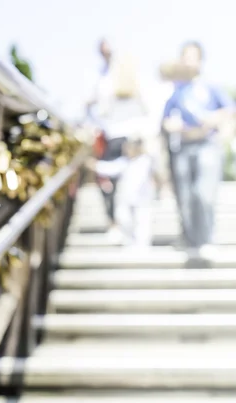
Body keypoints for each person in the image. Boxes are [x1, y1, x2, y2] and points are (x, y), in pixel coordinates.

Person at [162, 41, 235, 258]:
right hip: (183, 146)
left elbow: (229, 109)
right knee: (185, 196)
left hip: (207, 145)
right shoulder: (177, 90)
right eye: (185, 57)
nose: (188, 61)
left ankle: (206, 238)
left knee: (204, 194)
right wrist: (172, 126)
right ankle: (191, 240)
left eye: (192, 56)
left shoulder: (211, 87)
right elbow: (166, 119)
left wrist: (215, 120)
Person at [86, 38, 148, 241]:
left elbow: (144, 106)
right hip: (111, 134)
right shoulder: (101, 77)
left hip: (130, 136)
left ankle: (133, 231)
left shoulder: (129, 73)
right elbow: (96, 105)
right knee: (109, 182)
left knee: (132, 188)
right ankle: (116, 225)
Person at [87, 135, 159, 248]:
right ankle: (129, 241)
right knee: (124, 219)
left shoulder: (146, 160)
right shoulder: (124, 162)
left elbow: (156, 173)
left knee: (143, 221)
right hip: (126, 197)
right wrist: (95, 165)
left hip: (143, 197)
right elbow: (109, 168)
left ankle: (142, 244)